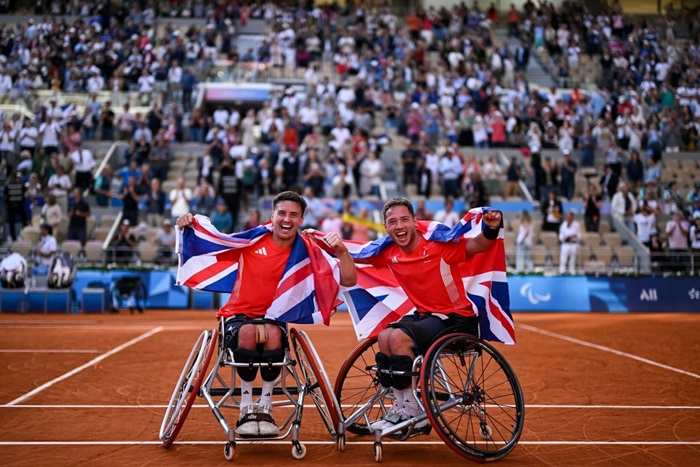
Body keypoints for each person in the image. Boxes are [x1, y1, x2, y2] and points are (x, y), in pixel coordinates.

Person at [176, 191, 357, 438]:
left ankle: (266, 405)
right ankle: (246, 405)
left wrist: (342, 251)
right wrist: (188, 223)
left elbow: (348, 279)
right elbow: (212, 242)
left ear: (301, 219)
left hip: (275, 317)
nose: (287, 219)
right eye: (282, 213)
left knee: (272, 334)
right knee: (249, 332)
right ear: (272, 216)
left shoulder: (307, 251)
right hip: (238, 316)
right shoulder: (250, 241)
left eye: (294, 214)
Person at [347, 198, 502, 433]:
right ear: (386, 228)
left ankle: (414, 411)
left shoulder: (438, 246)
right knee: (384, 336)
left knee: (398, 338)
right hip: (425, 316)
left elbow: (479, 245)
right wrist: (326, 244)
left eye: (404, 219)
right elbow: (357, 253)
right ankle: (402, 406)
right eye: (392, 222)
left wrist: (491, 227)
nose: (399, 226)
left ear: (414, 221)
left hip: (457, 319)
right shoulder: (388, 253)